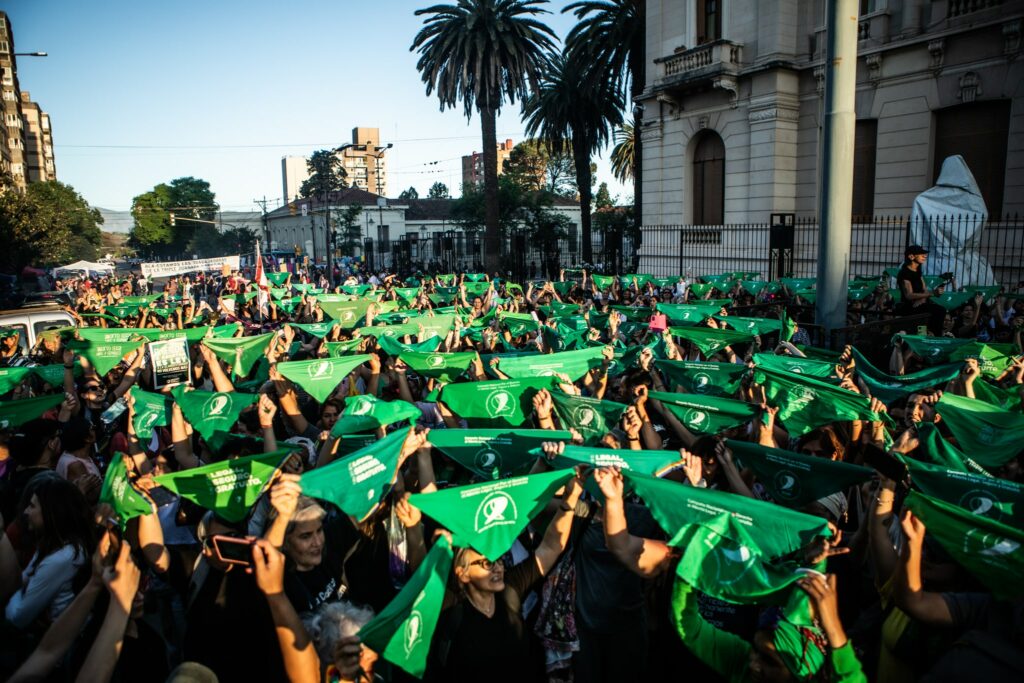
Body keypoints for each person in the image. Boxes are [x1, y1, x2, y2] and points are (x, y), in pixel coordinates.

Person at [3, 477, 94, 630]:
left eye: (32, 506)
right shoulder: (53, 541)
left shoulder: (63, 558)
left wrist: (13, 597)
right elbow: (25, 578)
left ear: (50, 513)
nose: (26, 512)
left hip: (63, 641)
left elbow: (18, 616)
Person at [897, 245, 945, 334]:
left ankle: (933, 335)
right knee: (939, 310)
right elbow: (909, 295)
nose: (924, 256)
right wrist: (932, 294)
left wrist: (924, 298)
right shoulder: (904, 273)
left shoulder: (918, 272)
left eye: (924, 254)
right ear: (911, 256)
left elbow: (924, 290)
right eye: (921, 254)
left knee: (939, 310)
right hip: (910, 307)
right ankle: (934, 335)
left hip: (920, 305)